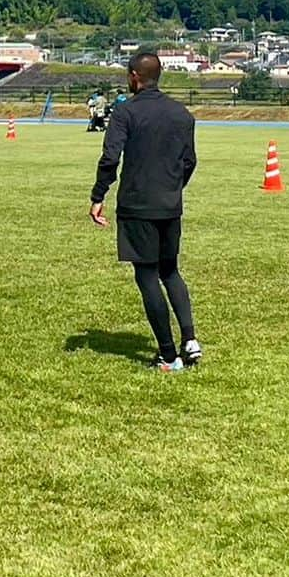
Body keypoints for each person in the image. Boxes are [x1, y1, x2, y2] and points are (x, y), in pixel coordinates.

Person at [89, 52, 201, 373]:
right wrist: (173, 189)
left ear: (134, 77)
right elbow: (189, 161)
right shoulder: (182, 114)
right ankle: (189, 340)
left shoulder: (125, 112)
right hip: (169, 204)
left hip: (137, 205)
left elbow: (111, 157)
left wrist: (98, 195)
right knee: (171, 271)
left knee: (147, 276)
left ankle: (168, 355)